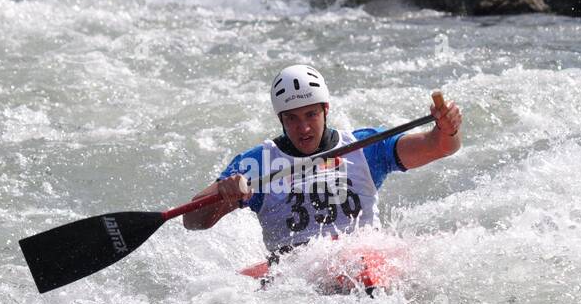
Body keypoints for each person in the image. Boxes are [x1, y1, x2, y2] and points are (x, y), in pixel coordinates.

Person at [182, 66, 463, 263]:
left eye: (311, 114)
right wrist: (223, 192)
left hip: (364, 261)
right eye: (292, 118)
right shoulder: (257, 163)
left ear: (325, 110)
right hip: (298, 272)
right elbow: (192, 221)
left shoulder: (366, 147)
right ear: (281, 119)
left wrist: (447, 128)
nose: (303, 127)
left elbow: (438, 146)